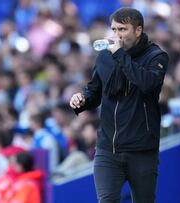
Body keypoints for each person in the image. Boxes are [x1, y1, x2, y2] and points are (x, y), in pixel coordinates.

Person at [69, 7, 169, 203]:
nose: (117, 35)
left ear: (138, 30)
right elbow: (94, 92)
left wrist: (120, 55)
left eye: (122, 29)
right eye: (114, 29)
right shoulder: (106, 56)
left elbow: (147, 84)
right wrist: (81, 100)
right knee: (106, 200)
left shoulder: (156, 56)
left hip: (141, 149)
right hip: (108, 148)